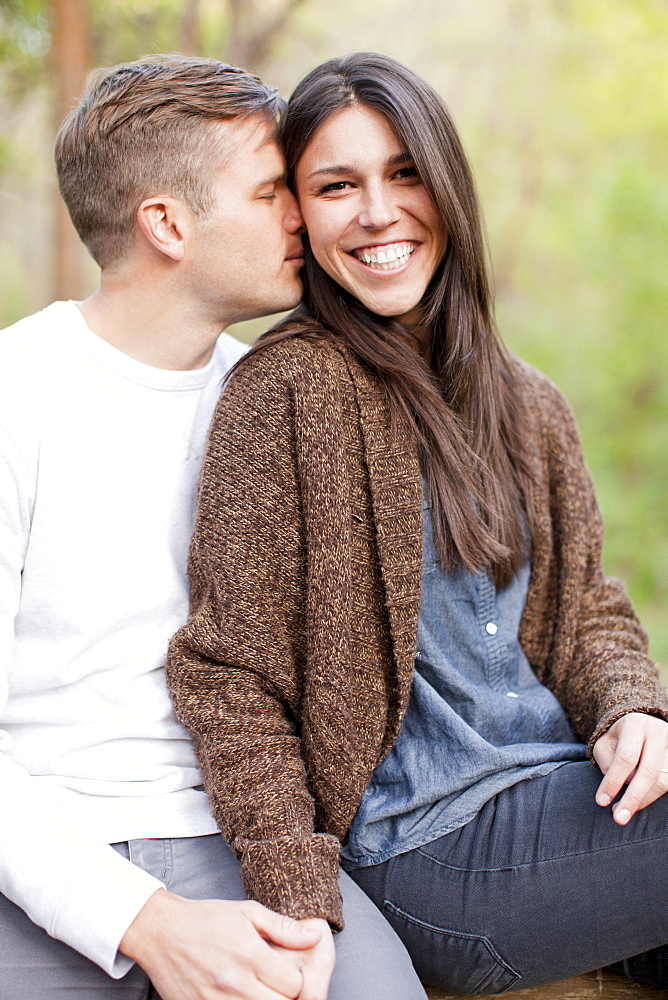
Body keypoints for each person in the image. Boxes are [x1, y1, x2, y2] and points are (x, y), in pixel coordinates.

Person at [167, 51, 668, 996]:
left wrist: (631, 706)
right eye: (336, 185)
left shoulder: (529, 403)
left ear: (447, 185)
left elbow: (589, 604)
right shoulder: (283, 394)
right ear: (300, 216)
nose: (378, 212)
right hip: (424, 846)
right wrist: (295, 887)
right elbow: (228, 674)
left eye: (404, 173)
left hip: (563, 794)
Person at [0, 54, 425, 1000]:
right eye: (274, 191)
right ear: (166, 222)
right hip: (39, 854)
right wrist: (145, 924)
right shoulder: (17, 395)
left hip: (244, 841)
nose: (303, 217)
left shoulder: (281, 398)